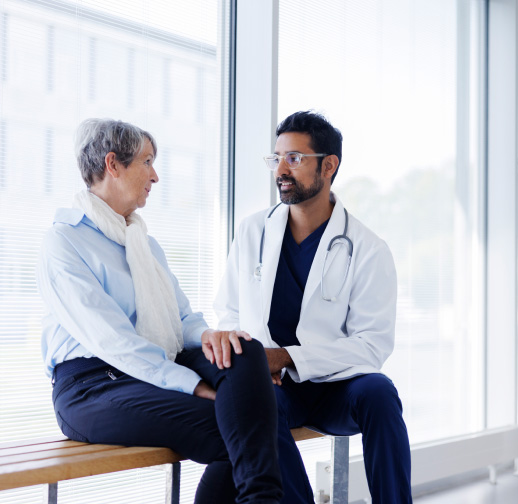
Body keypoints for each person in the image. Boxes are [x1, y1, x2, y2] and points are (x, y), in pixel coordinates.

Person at [37, 118, 283, 504]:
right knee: (236, 429)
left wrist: (209, 337)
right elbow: (113, 340)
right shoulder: (64, 242)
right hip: (93, 387)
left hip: (155, 367)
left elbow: (182, 318)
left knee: (243, 350)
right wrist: (195, 386)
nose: (155, 176)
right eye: (147, 162)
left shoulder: (143, 242)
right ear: (113, 164)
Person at [214, 111, 412, 503]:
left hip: (336, 387)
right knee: (258, 404)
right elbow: (229, 313)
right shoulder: (252, 231)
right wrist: (256, 363)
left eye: (295, 158)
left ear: (329, 165)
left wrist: (284, 357)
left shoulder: (368, 249)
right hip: (276, 388)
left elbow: (372, 344)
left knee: (380, 393)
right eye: (277, 158)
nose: (281, 170)